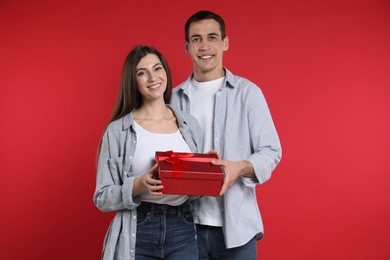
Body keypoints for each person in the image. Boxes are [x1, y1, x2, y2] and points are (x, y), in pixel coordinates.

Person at [171, 10, 282, 259]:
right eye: (196, 39)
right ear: (186, 46)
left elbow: (271, 151)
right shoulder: (171, 99)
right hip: (184, 229)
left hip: (237, 229)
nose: (204, 46)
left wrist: (239, 168)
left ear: (225, 43)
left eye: (212, 37)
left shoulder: (248, 93)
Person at [94, 45, 203, 260]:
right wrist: (138, 184)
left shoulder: (190, 125)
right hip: (139, 227)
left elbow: (196, 192)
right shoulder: (118, 130)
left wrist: (205, 170)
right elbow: (102, 198)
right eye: (142, 73)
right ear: (133, 81)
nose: (153, 77)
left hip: (182, 226)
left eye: (157, 68)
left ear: (165, 73)